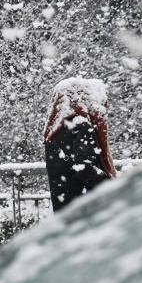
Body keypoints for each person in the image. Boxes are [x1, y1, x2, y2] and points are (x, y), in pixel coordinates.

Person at [43, 77, 117, 211]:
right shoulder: (81, 125)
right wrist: (108, 182)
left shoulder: (55, 131)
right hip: (84, 205)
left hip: (64, 205)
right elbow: (83, 167)